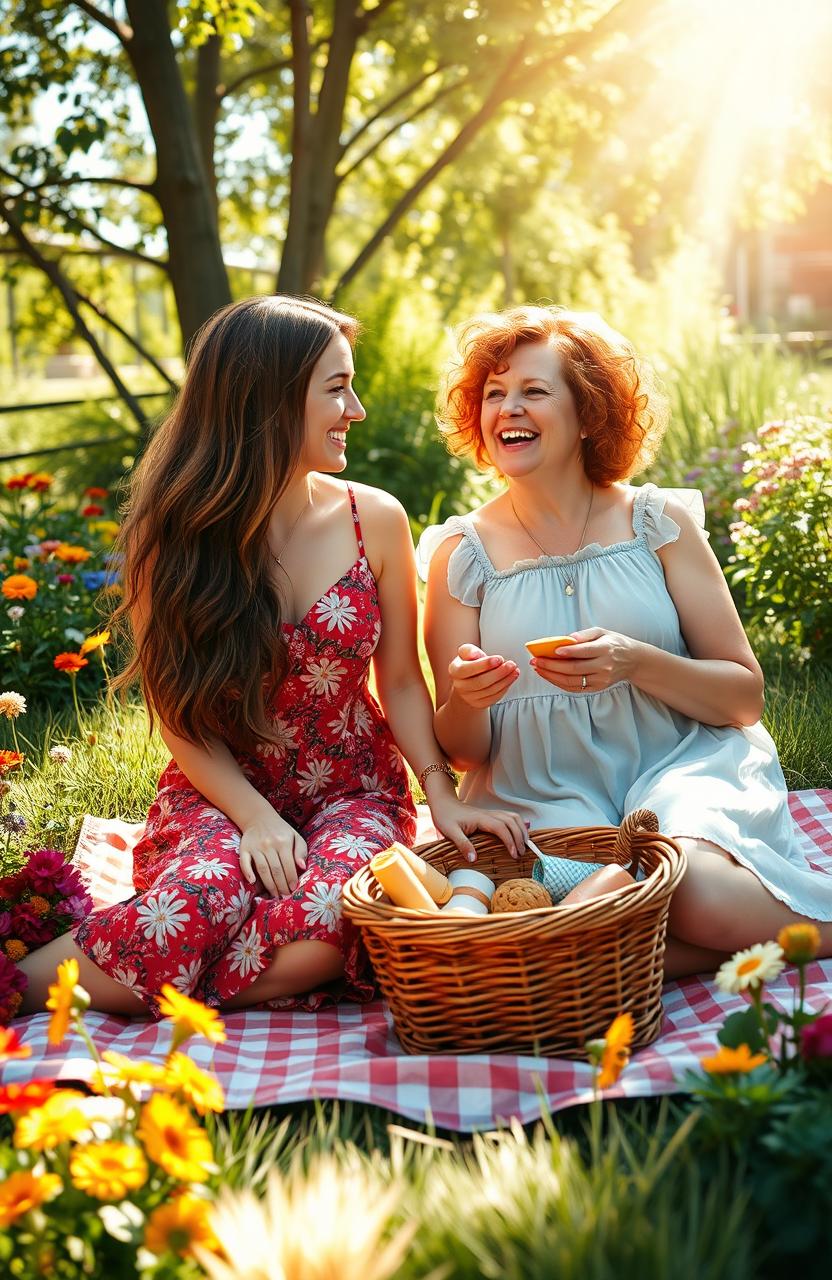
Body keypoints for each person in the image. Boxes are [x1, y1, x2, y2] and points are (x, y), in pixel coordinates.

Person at [19, 295, 525, 1019]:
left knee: (335, 920)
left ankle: (147, 976)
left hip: (352, 789)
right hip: (221, 787)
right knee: (200, 899)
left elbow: (403, 683)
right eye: (336, 388)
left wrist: (439, 792)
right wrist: (255, 818)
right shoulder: (175, 533)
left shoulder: (374, 519)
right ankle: (26, 981)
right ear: (267, 403)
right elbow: (177, 715)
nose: (355, 408)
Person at [420, 304, 832, 978]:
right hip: (544, 792)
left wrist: (635, 662)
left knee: (688, 885)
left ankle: (664, 952)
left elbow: (743, 698)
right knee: (579, 908)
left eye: (533, 390)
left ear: (587, 415)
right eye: (493, 393)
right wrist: (467, 699)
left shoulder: (657, 523)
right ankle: (652, 957)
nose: (506, 409)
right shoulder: (461, 557)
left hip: (684, 765)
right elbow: (464, 747)